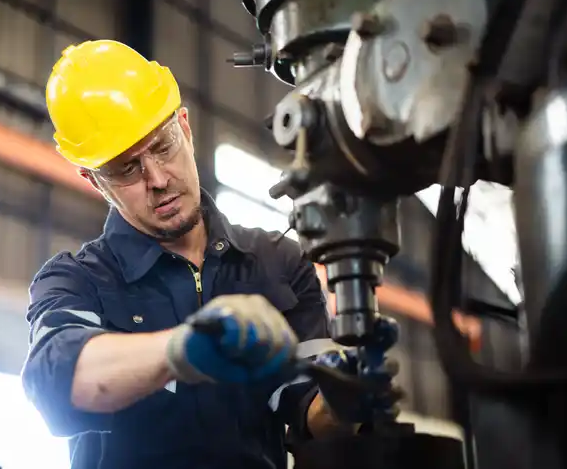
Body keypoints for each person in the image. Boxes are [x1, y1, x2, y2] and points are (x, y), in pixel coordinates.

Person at [21, 39, 342, 469]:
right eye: (126, 168)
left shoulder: (279, 262)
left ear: (185, 127)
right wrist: (181, 350)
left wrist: (350, 395)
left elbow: (311, 410)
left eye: (163, 145)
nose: (157, 178)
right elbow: (56, 378)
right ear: (95, 181)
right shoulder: (78, 280)